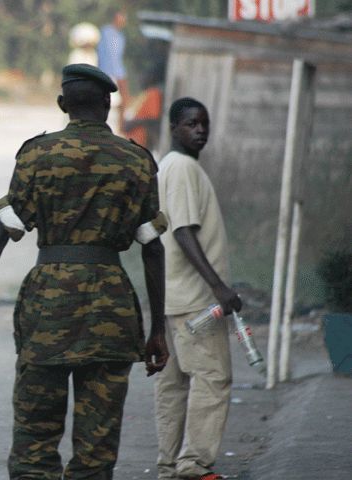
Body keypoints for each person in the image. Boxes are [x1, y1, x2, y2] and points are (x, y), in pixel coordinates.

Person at [0, 64, 169, 480]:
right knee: (97, 447)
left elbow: (3, 230)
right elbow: (152, 246)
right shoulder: (136, 161)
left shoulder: (37, 155)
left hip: (47, 310)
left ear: (62, 104)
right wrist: (157, 328)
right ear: (109, 106)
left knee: (34, 439)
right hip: (111, 311)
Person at [153, 97, 243, 480]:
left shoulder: (170, 167)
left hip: (176, 299)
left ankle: (169, 464)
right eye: (191, 124)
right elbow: (183, 231)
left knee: (174, 384)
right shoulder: (183, 168)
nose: (200, 130)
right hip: (196, 302)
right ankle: (193, 465)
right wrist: (218, 286)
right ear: (174, 128)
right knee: (212, 376)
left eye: (204, 123)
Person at [97, 8, 130, 133]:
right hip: (107, 71)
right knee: (104, 101)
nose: (123, 22)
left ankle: (120, 129)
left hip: (119, 72)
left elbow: (118, 57)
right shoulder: (106, 32)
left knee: (125, 100)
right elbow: (107, 55)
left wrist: (121, 74)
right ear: (116, 18)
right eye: (122, 18)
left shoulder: (121, 37)